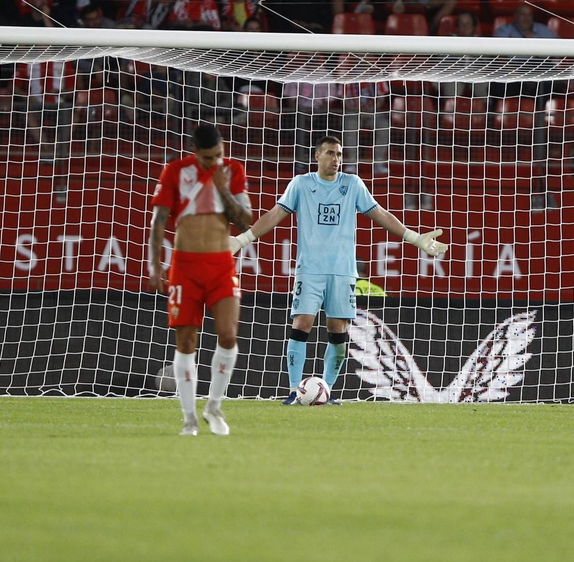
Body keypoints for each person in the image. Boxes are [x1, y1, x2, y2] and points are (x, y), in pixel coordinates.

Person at [228, 134, 447, 404]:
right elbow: (275, 214)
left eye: (340, 154)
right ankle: (295, 390)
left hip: (343, 271)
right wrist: (242, 239)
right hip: (310, 269)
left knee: (338, 329)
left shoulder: (352, 184)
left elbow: (380, 214)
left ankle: (326, 391)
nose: (337, 160)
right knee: (302, 323)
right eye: (331, 153)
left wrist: (414, 238)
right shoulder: (301, 184)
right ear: (317, 156)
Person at [148, 122, 249, 435]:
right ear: (194, 153)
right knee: (186, 342)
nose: (214, 162)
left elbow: (245, 219)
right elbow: (159, 220)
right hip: (185, 267)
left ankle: (214, 407)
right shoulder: (175, 171)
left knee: (228, 335)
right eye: (208, 158)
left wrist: (221, 186)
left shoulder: (232, 170)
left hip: (220, 264)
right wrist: (154, 265)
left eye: (218, 155)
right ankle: (190, 418)